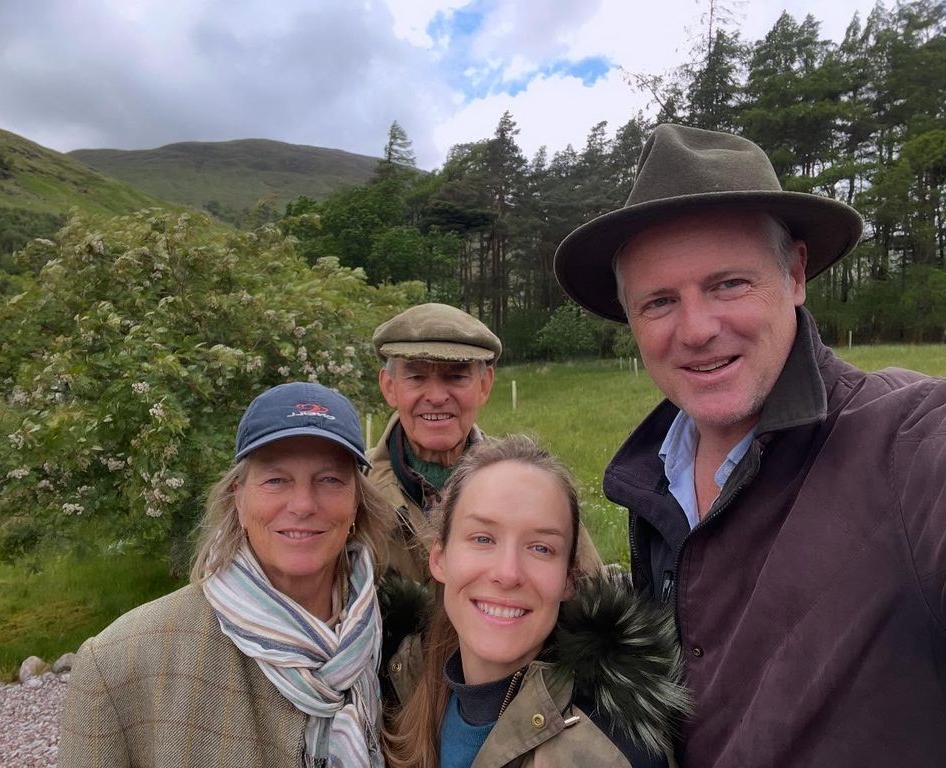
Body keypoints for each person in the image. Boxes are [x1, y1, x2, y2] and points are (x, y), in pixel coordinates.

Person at [553, 123, 946, 767]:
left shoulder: (907, 443)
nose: (698, 329)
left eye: (728, 284)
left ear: (794, 274)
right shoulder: (653, 487)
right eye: (658, 302)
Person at [59, 382, 394, 768]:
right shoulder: (120, 663)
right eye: (276, 480)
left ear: (356, 501)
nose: (303, 504)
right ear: (239, 496)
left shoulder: (396, 642)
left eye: (330, 480)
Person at [381, 435, 688, 768]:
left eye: (541, 548)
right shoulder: (402, 686)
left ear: (568, 578)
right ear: (439, 559)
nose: (508, 573)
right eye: (483, 539)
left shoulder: (610, 752)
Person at [370, 302, 601, 581]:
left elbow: (591, 591)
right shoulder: (355, 486)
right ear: (389, 387)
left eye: (456, 376)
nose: (437, 396)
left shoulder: (534, 485)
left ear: (484, 385)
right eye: (416, 377)